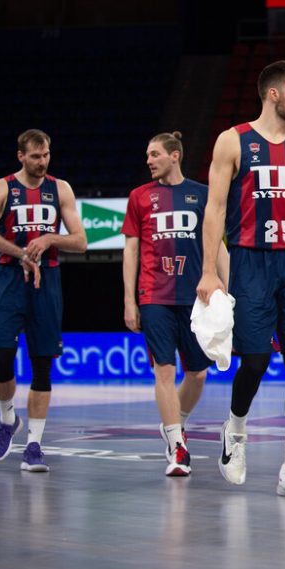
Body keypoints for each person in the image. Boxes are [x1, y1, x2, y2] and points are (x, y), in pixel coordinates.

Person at [197, 60, 285, 498]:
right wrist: (209, 271)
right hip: (251, 261)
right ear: (273, 94)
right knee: (254, 361)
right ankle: (235, 428)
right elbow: (215, 209)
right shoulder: (233, 140)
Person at [0, 129, 87, 472]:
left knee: (42, 365)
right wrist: (21, 253)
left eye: (46, 155)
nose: (42, 161)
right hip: (9, 279)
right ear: (21, 156)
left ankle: (34, 445)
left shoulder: (60, 189)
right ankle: (8, 419)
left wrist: (50, 237)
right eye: (36, 156)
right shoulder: (2, 188)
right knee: (3, 360)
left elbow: (80, 241)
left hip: (47, 281)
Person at [122, 132, 226, 476]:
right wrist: (129, 300)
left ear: (175, 155)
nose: (149, 160)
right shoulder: (139, 197)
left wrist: (231, 293)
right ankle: (177, 446)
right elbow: (131, 251)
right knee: (164, 371)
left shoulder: (202, 195)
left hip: (196, 298)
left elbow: (219, 248)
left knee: (197, 374)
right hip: (155, 296)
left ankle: (175, 423)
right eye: (147, 155)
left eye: (155, 154)